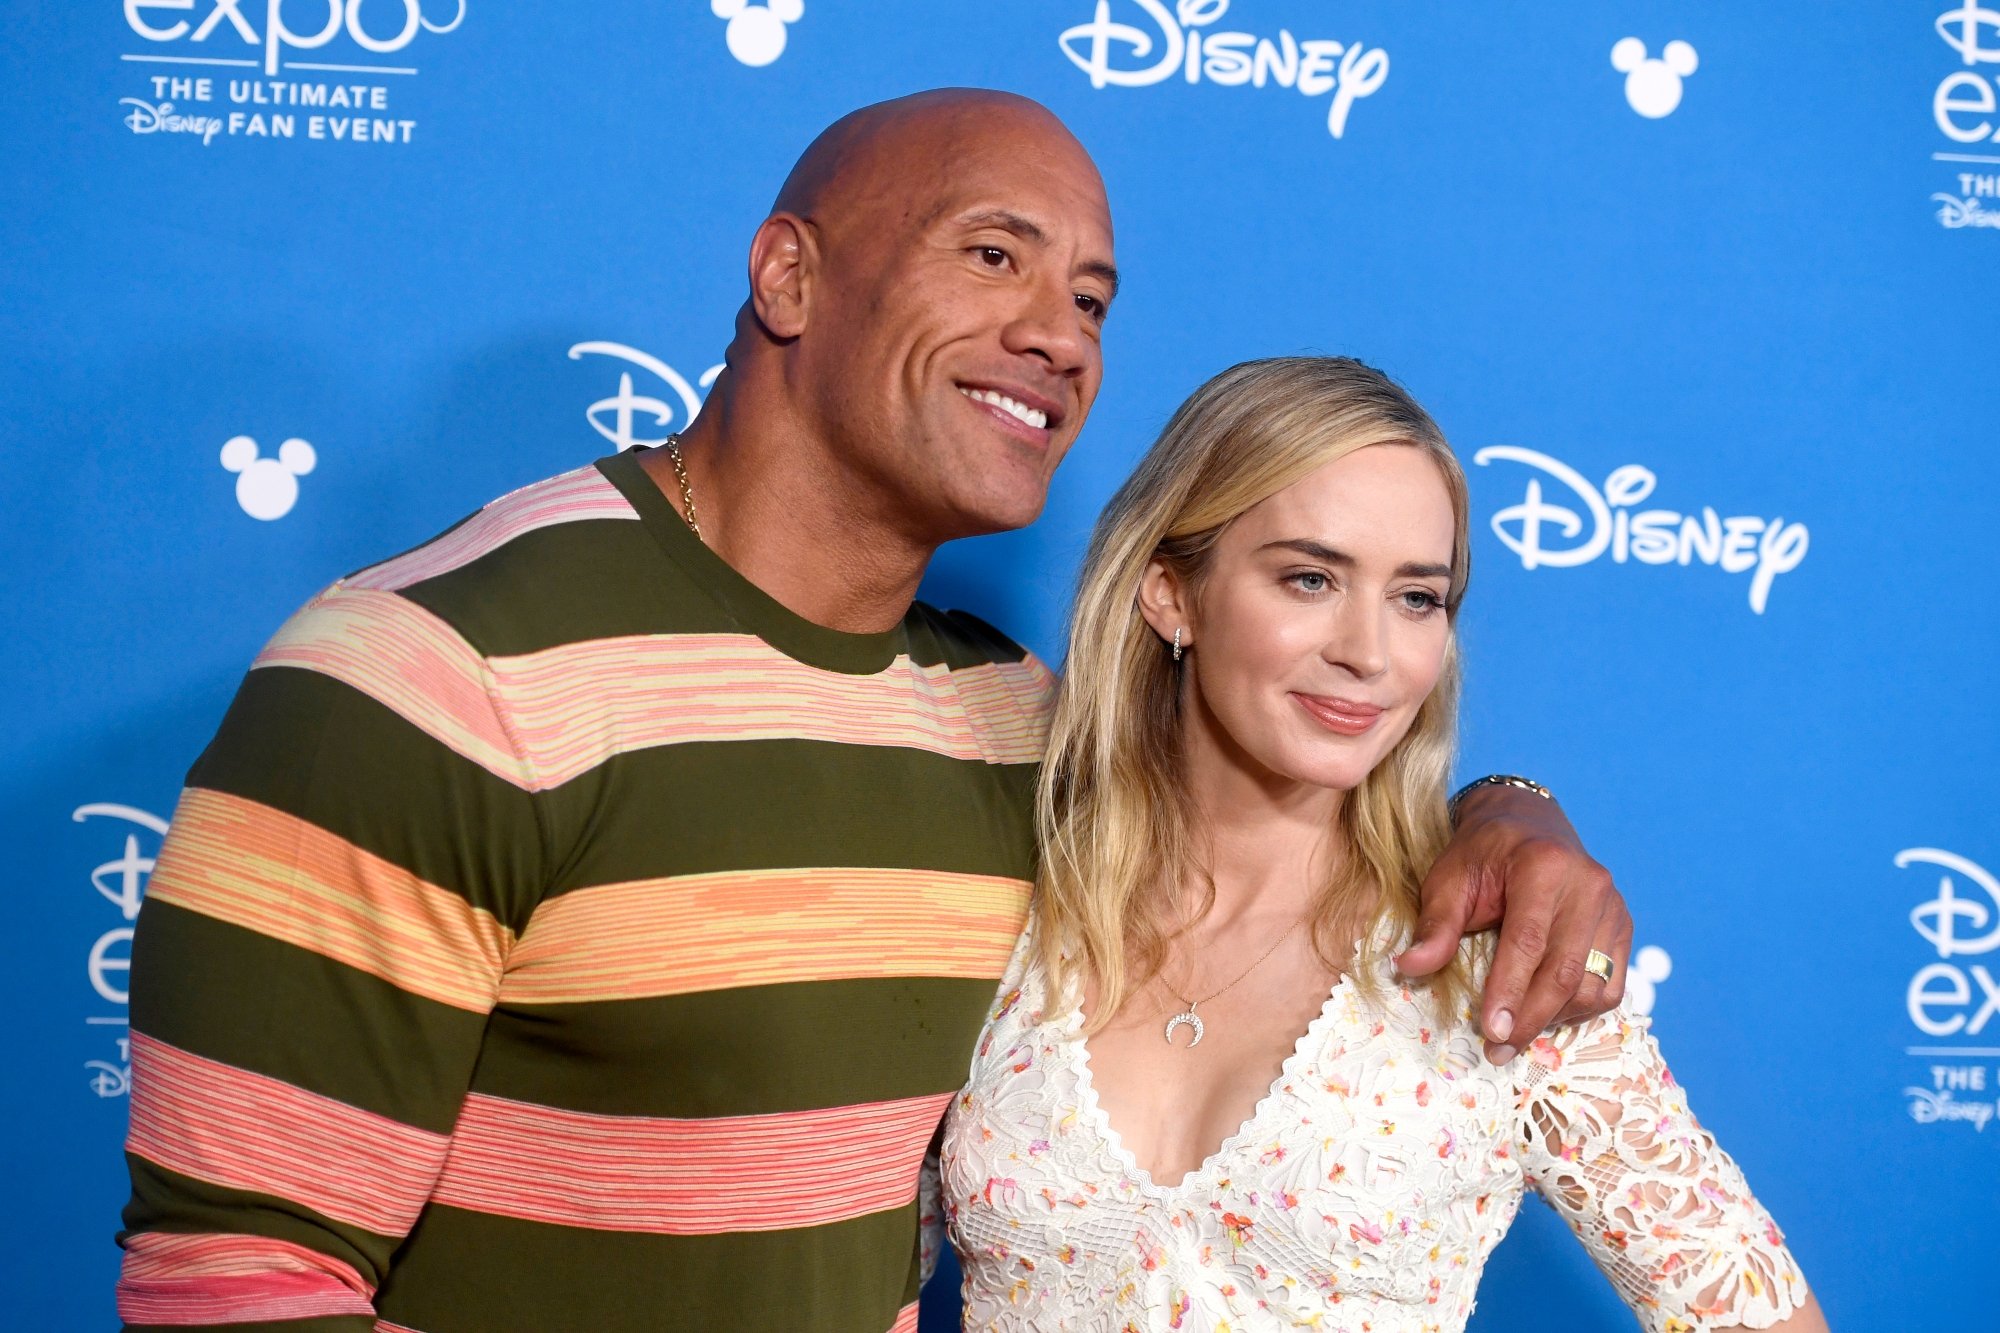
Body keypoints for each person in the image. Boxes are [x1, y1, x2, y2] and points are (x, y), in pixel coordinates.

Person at [116, 93, 1629, 1333]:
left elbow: (1285, 790)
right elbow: (236, 1286)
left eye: (1089, 299)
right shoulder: (434, 676)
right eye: (992, 255)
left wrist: (1507, 812)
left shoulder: (1012, 725)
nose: (1060, 334)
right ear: (788, 278)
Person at [941, 356, 1826, 1332]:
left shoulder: (1499, 963)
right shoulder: (1002, 899)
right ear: (1169, 593)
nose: (1367, 652)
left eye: (1416, 598)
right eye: (1310, 578)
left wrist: (1514, 803)